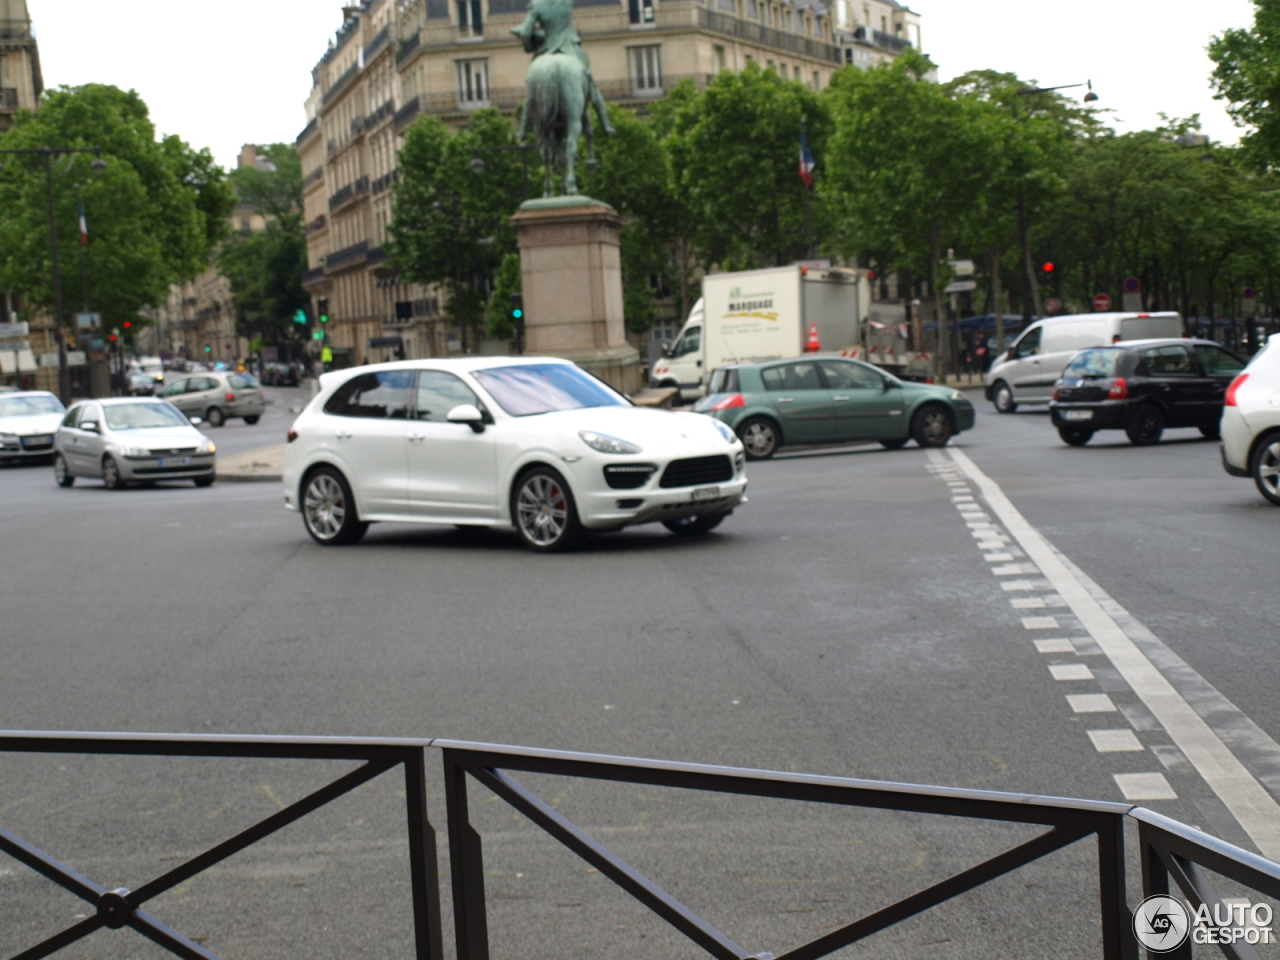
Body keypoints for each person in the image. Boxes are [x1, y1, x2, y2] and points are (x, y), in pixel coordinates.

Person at [512, 0, 615, 136]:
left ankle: (523, 129)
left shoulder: (537, 6)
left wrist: (528, 47)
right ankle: (606, 124)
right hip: (570, 48)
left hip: (547, 49)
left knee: (532, 92)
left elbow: (525, 32)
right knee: (590, 84)